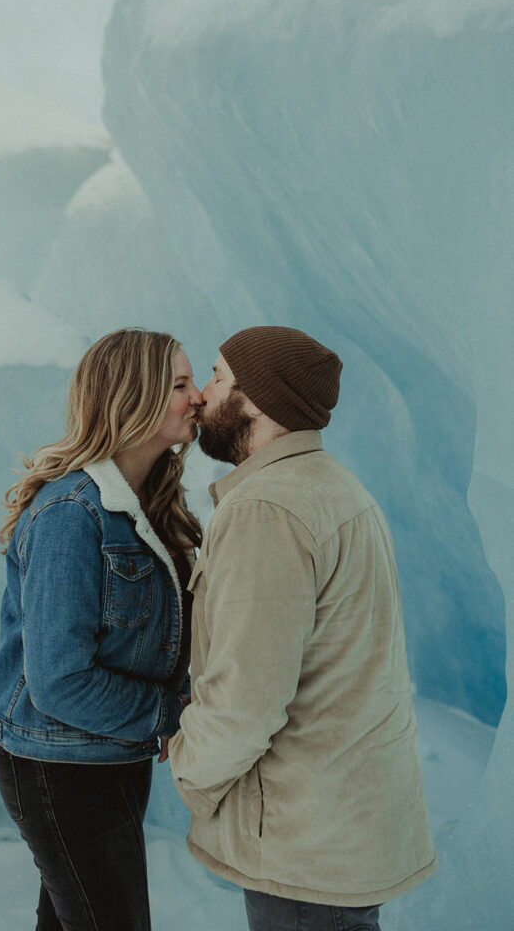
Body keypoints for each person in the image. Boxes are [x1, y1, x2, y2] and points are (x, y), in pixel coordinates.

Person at [168, 326, 437, 931]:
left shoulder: (267, 508)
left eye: (217, 376)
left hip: (305, 835)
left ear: (257, 399)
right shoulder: (337, 491)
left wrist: (186, 758)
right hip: (346, 826)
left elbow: (247, 699)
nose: (203, 394)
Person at [0, 328, 202, 931]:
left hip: (107, 753)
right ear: (137, 396)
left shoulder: (143, 504)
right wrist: (172, 714)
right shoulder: (70, 515)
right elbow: (60, 681)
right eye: (181, 384)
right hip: (60, 766)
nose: (200, 396)